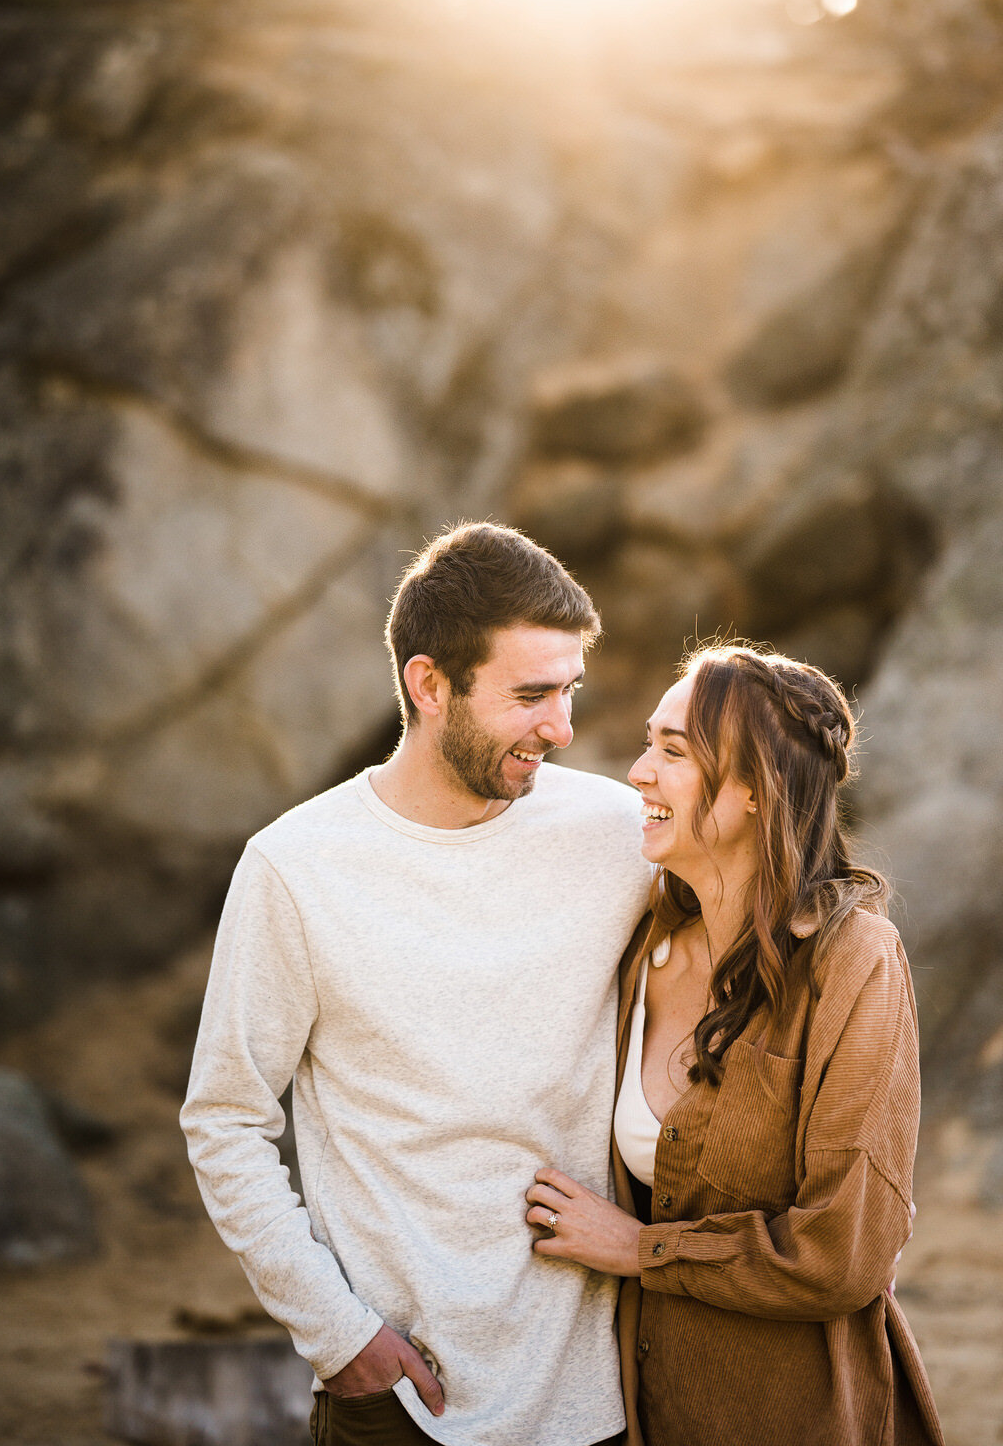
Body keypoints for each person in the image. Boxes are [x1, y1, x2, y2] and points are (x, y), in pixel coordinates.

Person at [180, 522, 652, 1446]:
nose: (561, 727)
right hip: (395, 1398)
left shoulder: (618, 832)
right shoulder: (294, 868)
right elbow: (225, 1119)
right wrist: (336, 1335)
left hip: (592, 1392)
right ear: (428, 685)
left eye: (569, 691)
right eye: (530, 695)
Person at [525, 644, 945, 1446]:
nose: (639, 772)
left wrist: (644, 1251)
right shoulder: (635, 942)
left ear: (757, 790)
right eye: (648, 744)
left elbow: (844, 1249)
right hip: (647, 1411)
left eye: (673, 751)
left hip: (801, 1413)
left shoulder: (854, 960)